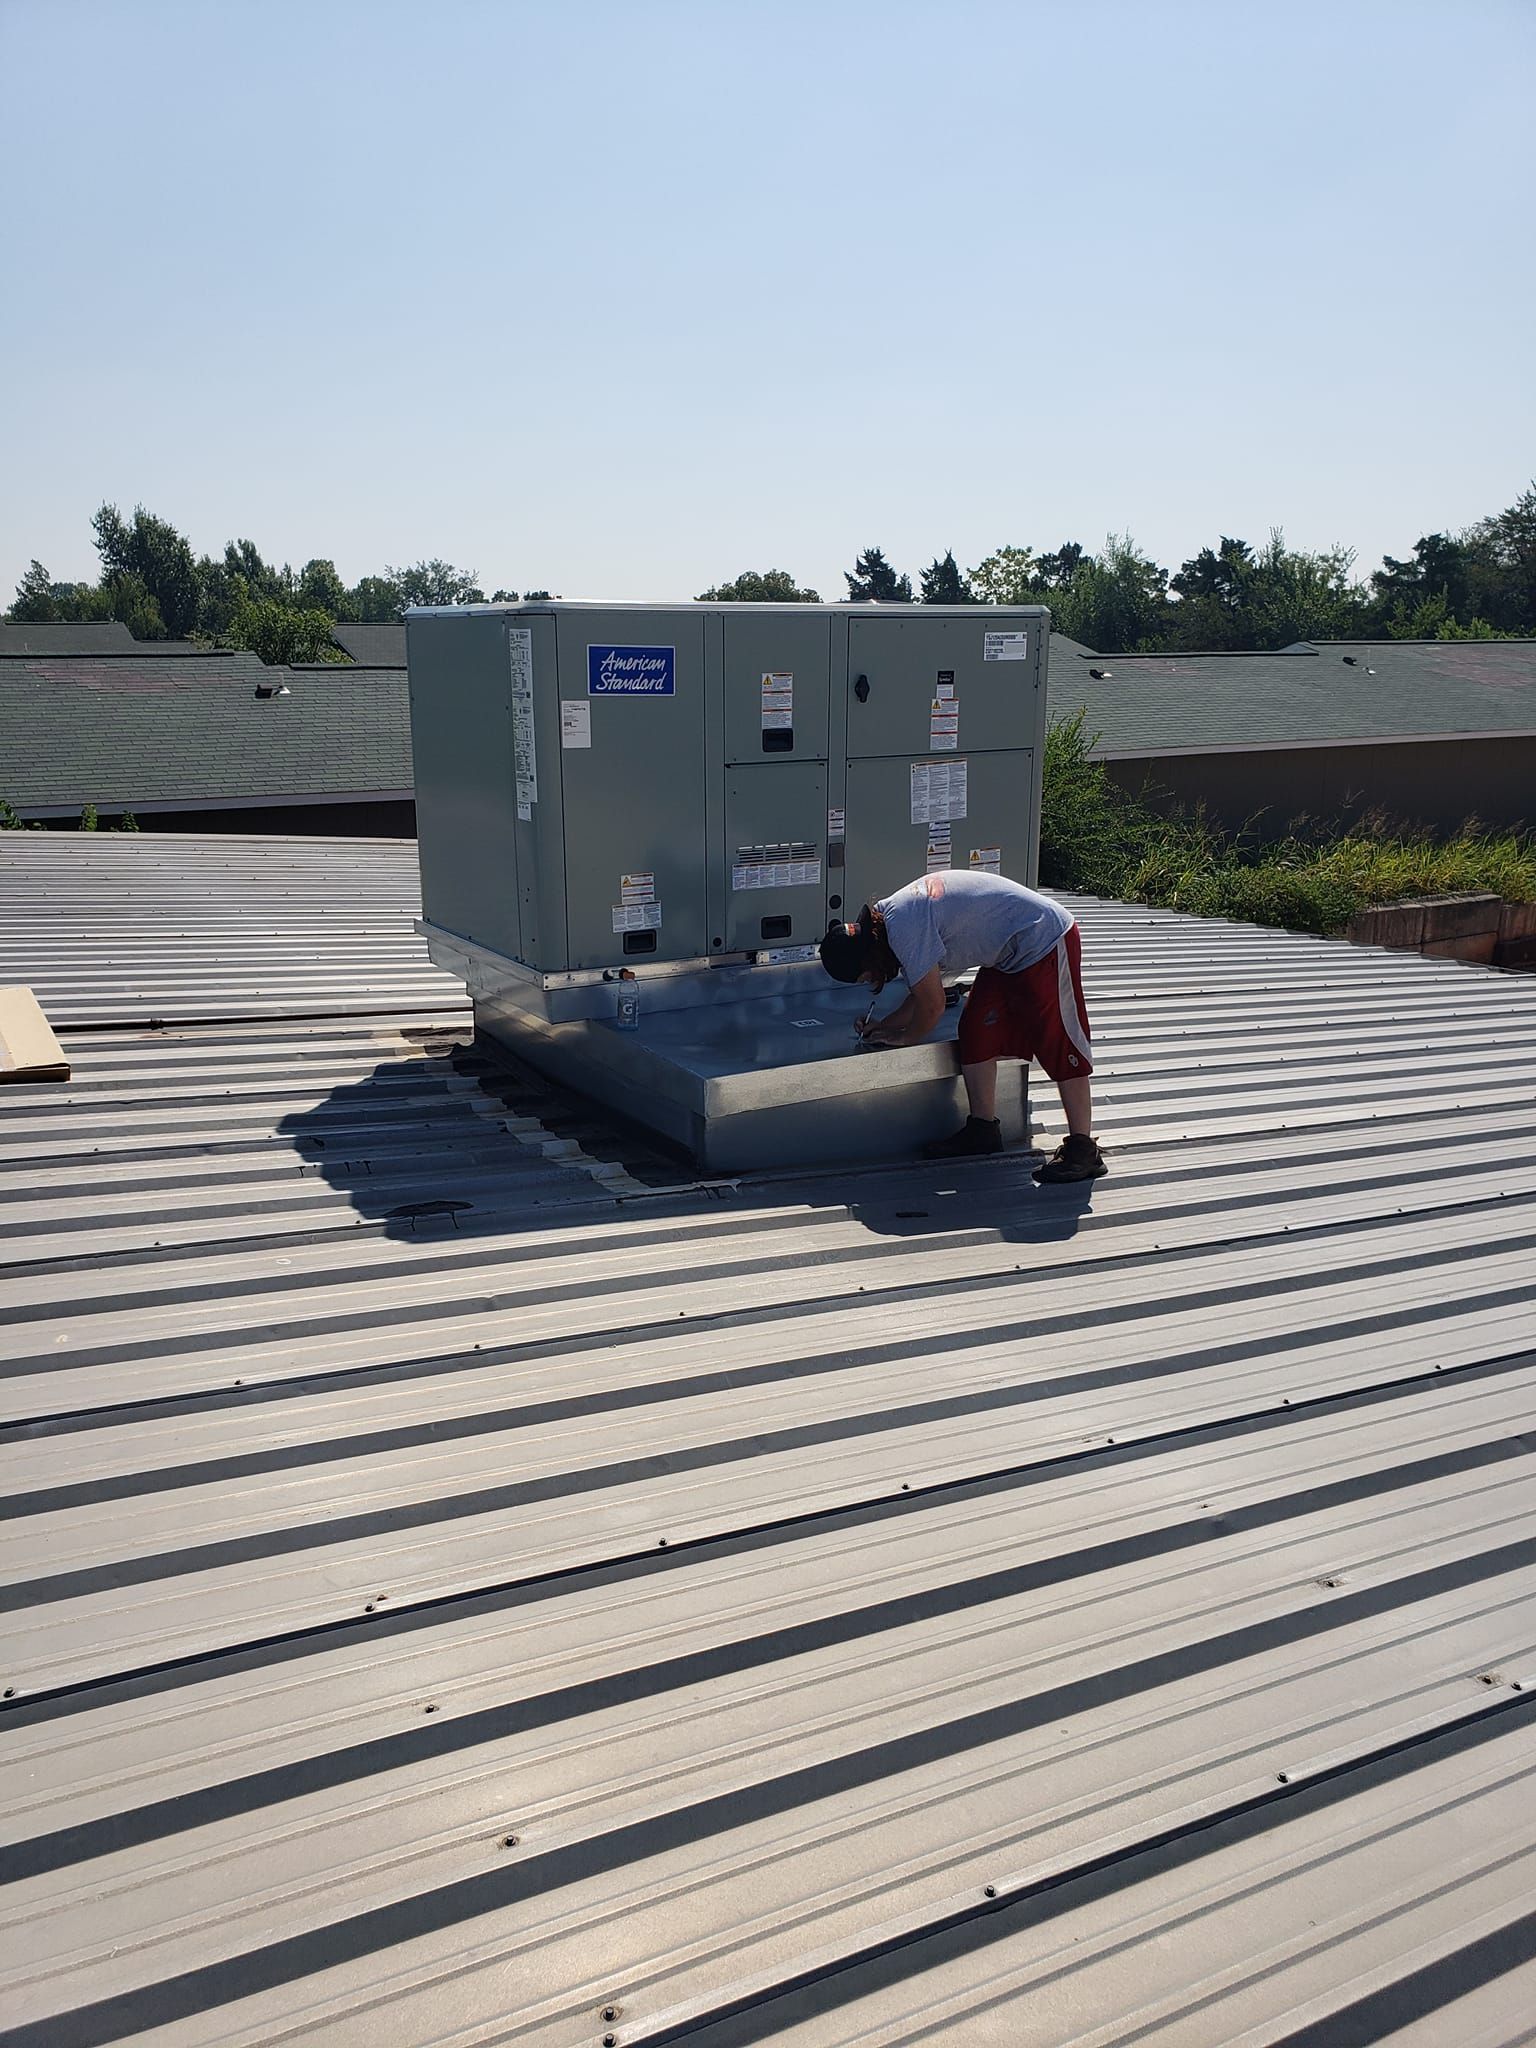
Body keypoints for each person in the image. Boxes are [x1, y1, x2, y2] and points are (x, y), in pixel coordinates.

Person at [818, 869, 1106, 1183]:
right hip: (1008, 954)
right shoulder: (893, 920)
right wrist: (885, 1026)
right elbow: (924, 992)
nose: (873, 981)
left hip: (1044, 939)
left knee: (1059, 1041)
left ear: (868, 959)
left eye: (866, 976)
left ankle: (1082, 1149)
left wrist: (905, 1039)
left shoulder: (903, 926)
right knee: (977, 1031)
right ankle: (982, 1130)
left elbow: (933, 1006)